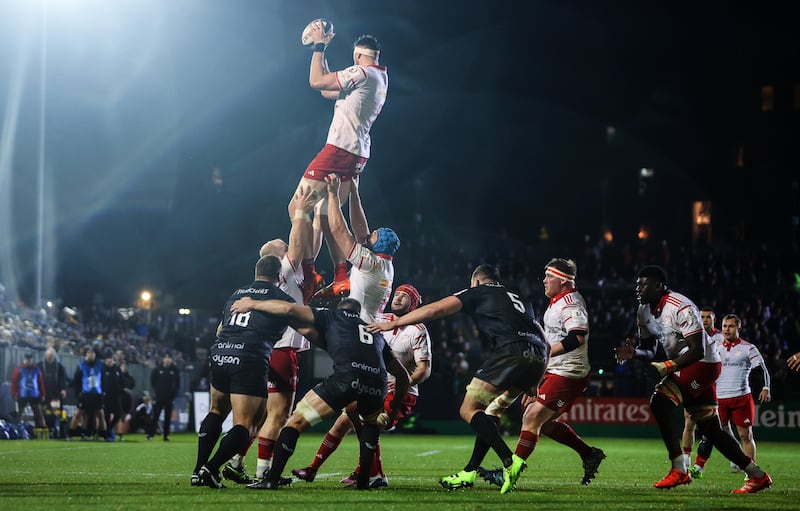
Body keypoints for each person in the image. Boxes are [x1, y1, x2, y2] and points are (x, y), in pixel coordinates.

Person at [367, 264, 548, 494]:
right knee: (489, 412)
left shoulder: (479, 291)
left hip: (510, 352)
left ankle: (509, 463)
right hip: (537, 356)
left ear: (477, 281)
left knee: (468, 409)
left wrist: (393, 323)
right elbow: (545, 341)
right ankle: (470, 471)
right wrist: (536, 379)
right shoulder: (521, 300)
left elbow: (436, 309)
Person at [613, 265, 772, 494]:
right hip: (685, 366)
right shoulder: (643, 311)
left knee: (660, 401)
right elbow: (648, 349)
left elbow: (697, 350)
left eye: (644, 284)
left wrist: (667, 366)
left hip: (704, 364)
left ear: (659, 285)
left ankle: (679, 469)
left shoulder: (681, 306)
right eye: (637, 284)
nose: (638, 288)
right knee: (712, 430)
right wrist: (634, 353)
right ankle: (757, 475)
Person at [231, 296, 410, 491]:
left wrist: (253, 304)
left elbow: (290, 310)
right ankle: (364, 482)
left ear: (339, 309)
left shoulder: (331, 316)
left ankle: (271, 479)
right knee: (370, 425)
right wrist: (391, 411)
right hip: (377, 383)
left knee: (295, 422)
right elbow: (403, 376)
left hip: (348, 377)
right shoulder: (374, 332)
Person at [477, 258, 605, 487]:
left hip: (569, 371)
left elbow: (577, 337)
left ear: (563, 281)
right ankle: (589, 454)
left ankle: (510, 473)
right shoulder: (556, 302)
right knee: (543, 423)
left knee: (532, 416)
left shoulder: (571, 302)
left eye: (549, 276)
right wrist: (539, 374)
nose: (544, 280)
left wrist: (545, 354)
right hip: (555, 369)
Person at [291, 283, 431, 486]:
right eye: (397, 294)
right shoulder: (379, 319)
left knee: (366, 422)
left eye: (405, 296)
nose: (398, 298)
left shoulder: (418, 329)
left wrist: (404, 382)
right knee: (343, 422)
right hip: (372, 386)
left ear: (414, 303)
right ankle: (314, 469)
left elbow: (424, 369)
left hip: (399, 393)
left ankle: (375, 473)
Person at [222, 187, 316, 485]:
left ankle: (237, 462)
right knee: (279, 414)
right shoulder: (284, 272)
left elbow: (308, 245)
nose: (288, 247)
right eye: (283, 246)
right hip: (282, 347)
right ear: (276, 259)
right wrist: (301, 212)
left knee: (262, 415)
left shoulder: (272, 278)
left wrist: (316, 217)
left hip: (263, 350)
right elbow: (301, 245)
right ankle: (264, 473)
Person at [293, 26, 388, 300]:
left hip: (339, 149)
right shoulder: (379, 76)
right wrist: (324, 63)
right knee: (324, 216)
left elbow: (315, 82)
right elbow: (326, 90)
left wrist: (318, 47)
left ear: (358, 55)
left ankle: (309, 274)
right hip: (358, 153)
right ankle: (340, 276)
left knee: (297, 206)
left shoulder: (361, 72)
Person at [192, 255, 295, 489]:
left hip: (220, 352)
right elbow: (294, 314)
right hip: (248, 356)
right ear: (279, 277)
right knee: (247, 424)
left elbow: (221, 329)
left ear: (256, 272)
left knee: (216, 410)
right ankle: (211, 468)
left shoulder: (236, 294)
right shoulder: (281, 297)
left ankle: (197, 471)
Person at [689, 313, 772, 478]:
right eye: (725, 326)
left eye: (731, 326)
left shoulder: (748, 348)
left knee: (745, 435)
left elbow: (763, 369)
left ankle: (752, 472)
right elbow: (705, 372)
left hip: (741, 397)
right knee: (709, 434)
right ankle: (698, 468)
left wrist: (766, 388)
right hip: (718, 400)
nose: (727, 329)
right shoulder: (716, 349)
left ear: (738, 328)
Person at [315, 173, 398, 322]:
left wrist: (333, 195)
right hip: (365, 325)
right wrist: (354, 193)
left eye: (373, 235)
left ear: (379, 244)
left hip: (357, 325)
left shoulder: (371, 264)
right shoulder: (382, 263)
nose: (368, 234)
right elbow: (360, 230)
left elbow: (339, 231)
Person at [681, 306, 723, 466]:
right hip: (695, 384)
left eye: (708, 317)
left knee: (717, 426)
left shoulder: (720, 338)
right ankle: (686, 461)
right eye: (702, 317)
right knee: (689, 420)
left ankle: (736, 459)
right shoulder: (691, 336)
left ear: (714, 319)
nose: (705, 320)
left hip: (714, 386)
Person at [69, 348, 106, 440]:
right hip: (85, 394)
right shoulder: (81, 366)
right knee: (79, 414)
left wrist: (104, 392)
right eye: (89, 353)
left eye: (93, 353)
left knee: (100, 415)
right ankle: (70, 434)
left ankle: (103, 435)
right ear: (86, 355)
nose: (91, 355)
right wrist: (78, 393)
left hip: (97, 394)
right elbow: (76, 380)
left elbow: (104, 379)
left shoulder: (100, 365)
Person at [11, 350, 46, 429]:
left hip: (34, 394)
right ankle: (16, 429)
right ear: (24, 359)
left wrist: (43, 394)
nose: (28, 361)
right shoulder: (19, 369)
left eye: (30, 359)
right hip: (22, 394)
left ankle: (43, 428)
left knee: (39, 412)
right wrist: (14, 393)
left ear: (32, 360)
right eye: (27, 359)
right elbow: (14, 382)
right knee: (20, 412)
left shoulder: (37, 370)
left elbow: (41, 383)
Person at [150, 352, 180, 441]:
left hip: (169, 398)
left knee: (168, 418)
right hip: (159, 397)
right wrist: (158, 392)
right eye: (166, 358)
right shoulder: (157, 369)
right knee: (155, 416)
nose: (167, 359)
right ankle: (151, 435)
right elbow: (153, 382)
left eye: (169, 358)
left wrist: (173, 394)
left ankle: (166, 436)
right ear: (163, 359)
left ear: (171, 359)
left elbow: (178, 383)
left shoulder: (174, 370)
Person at [101, 349, 124, 441]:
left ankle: (110, 429)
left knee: (118, 414)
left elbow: (122, 381)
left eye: (111, 358)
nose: (110, 360)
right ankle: (107, 434)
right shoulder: (102, 369)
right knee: (106, 415)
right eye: (108, 358)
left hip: (116, 395)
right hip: (106, 396)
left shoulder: (117, 368)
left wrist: (121, 389)